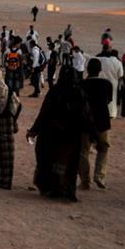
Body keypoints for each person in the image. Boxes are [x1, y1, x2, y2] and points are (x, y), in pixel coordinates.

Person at [27, 67, 92, 202]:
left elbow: (45, 113)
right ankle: (67, 190)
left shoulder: (55, 91)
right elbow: (85, 115)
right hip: (72, 135)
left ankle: (53, 189)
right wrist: (92, 133)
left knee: (52, 159)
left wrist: (35, 130)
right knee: (70, 163)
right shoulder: (79, 92)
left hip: (54, 133)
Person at [78, 59, 112, 189]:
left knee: (83, 152)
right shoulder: (106, 84)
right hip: (103, 122)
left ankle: (85, 180)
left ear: (87, 70)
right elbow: (108, 100)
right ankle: (99, 176)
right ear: (100, 70)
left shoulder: (81, 84)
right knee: (103, 149)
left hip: (85, 123)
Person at [98, 49, 123, 119]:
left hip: (104, 80)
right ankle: (112, 113)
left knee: (103, 96)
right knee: (113, 97)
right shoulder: (118, 62)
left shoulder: (105, 60)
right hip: (114, 82)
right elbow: (120, 74)